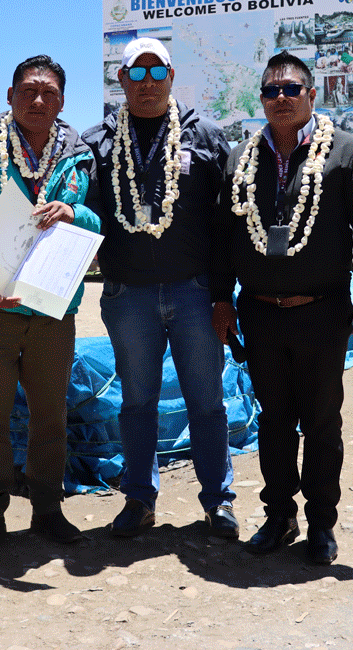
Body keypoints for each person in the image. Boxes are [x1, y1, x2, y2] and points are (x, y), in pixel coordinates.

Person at [212, 50, 353, 565]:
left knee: (321, 422)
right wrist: (223, 300)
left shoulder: (347, 153)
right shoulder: (241, 159)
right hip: (261, 313)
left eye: (292, 89)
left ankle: (321, 523)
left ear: (313, 95)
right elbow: (224, 239)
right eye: (271, 91)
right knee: (273, 420)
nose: (281, 98)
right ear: (262, 100)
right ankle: (278, 515)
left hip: (322, 313)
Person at [83, 37, 238, 541]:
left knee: (207, 401)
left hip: (194, 292)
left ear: (171, 77)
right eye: (136, 74)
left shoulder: (207, 137)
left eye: (156, 73)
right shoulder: (99, 142)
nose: (147, 84)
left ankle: (219, 502)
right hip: (130, 297)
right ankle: (139, 500)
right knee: (137, 402)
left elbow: (229, 220)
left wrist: (222, 293)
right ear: (122, 80)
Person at [0, 55, 99, 551]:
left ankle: (48, 509)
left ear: (62, 102)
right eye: (28, 90)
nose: (38, 100)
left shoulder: (78, 153)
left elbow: (98, 224)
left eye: (48, 92)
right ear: (10, 96)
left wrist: (75, 211)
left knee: (50, 414)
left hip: (52, 307)